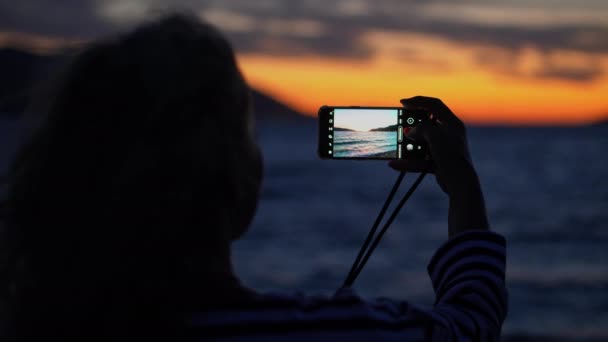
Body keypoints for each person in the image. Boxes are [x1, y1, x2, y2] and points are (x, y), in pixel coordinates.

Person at [1, 14, 507, 341]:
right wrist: (461, 182)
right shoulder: (330, 333)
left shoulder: (35, 322)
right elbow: (471, 326)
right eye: (247, 136)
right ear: (239, 187)